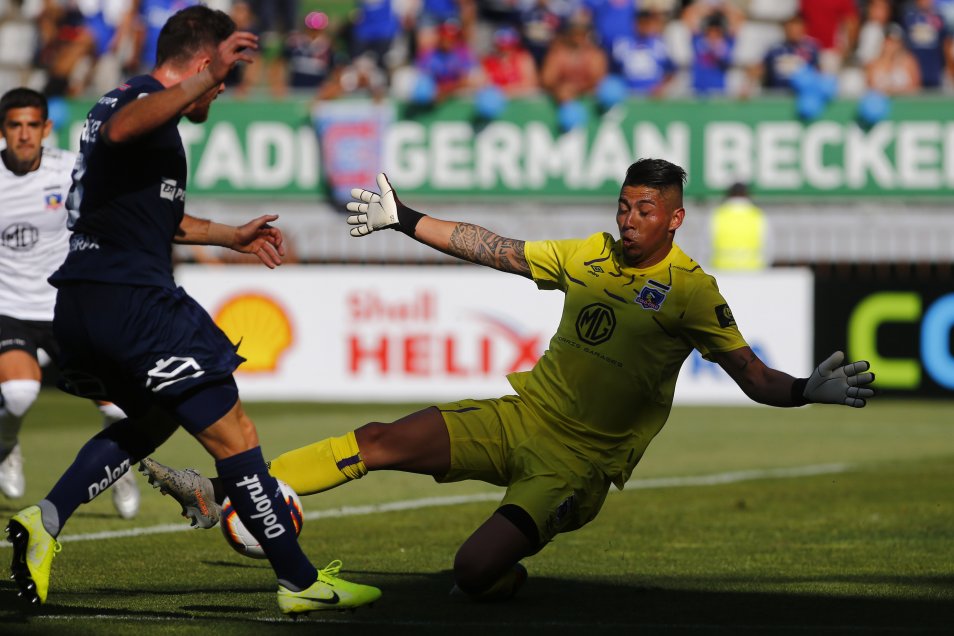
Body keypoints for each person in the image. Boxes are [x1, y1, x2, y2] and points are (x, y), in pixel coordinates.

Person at [140, 159, 876, 601]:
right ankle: (228, 490)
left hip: (577, 467)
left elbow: (750, 374)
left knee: (473, 574)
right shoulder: (587, 254)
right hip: (522, 417)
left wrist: (807, 389)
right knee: (379, 439)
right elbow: (497, 250)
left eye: (644, 210)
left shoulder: (692, 292)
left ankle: (504, 576)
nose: (628, 220)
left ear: (676, 219)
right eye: (623, 205)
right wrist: (406, 219)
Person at [4, 6, 380, 615]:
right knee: (236, 434)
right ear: (204, 63)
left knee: (154, 421)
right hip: (134, 303)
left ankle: (44, 519)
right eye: (221, 77)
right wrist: (201, 83)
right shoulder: (142, 101)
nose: (222, 92)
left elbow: (155, 213)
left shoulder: (129, 106)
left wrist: (228, 235)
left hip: (82, 301)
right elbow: (128, 128)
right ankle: (300, 582)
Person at [0, 87, 140, 519]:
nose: (24, 135)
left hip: (68, 304)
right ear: (3, 130)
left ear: (46, 129)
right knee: (19, 394)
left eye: (31, 125)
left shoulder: (70, 169)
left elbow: (118, 209)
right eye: (14, 125)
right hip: (10, 307)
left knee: (119, 407)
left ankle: (117, 468)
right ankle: (7, 446)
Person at [708, 181, 769, 271]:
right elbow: (768, 249)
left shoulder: (716, 216)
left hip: (722, 273)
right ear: (748, 195)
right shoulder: (758, 216)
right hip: (753, 274)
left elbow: (705, 248)